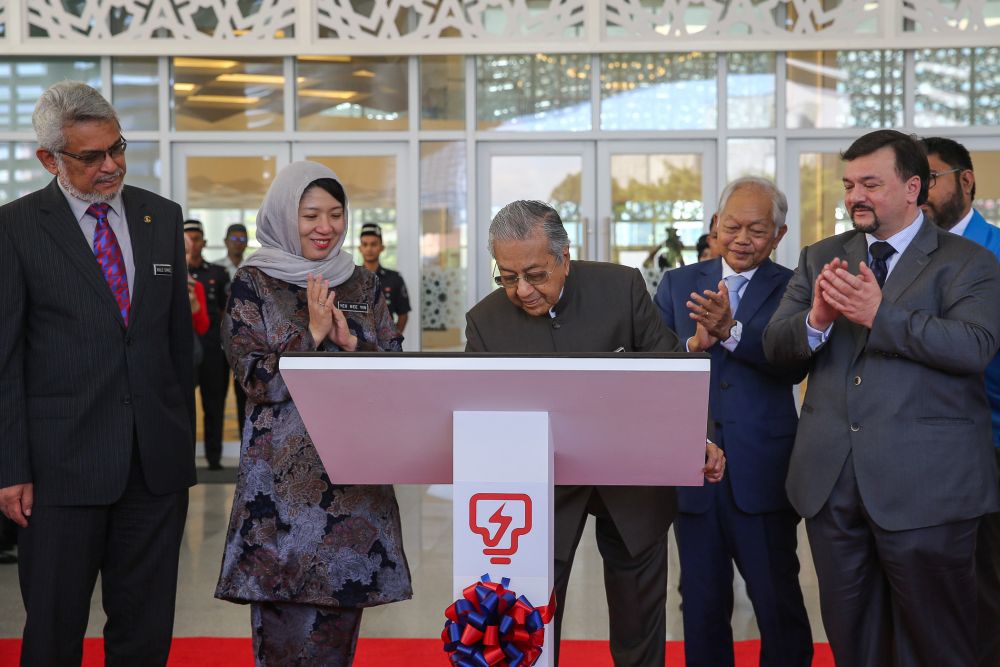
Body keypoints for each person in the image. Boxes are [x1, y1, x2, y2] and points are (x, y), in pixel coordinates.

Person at [763, 129, 1000, 666]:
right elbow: (776, 349)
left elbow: (975, 346)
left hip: (930, 490)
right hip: (833, 488)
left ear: (913, 187)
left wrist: (880, 316)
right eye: (848, 185)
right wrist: (816, 321)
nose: (854, 197)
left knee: (937, 643)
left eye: (870, 183)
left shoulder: (969, 262)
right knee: (854, 642)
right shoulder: (821, 256)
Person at [465, 199, 725, 666]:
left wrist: (697, 438)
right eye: (507, 276)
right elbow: (475, 411)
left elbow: (666, 369)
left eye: (535, 274)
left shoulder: (620, 286)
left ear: (565, 258)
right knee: (530, 624)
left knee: (638, 624)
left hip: (631, 478)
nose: (522, 289)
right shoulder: (484, 323)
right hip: (539, 494)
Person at [0, 80, 195, 665]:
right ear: (49, 159)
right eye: (90, 156)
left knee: (145, 630)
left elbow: (174, 345)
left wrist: (178, 441)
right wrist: (11, 468)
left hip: (153, 470)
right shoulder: (16, 227)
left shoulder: (161, 217)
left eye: (118, 148)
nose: (111, 166)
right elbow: (4, 358)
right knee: (54, 631)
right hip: (59, 469)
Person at [215, 161, 411, 666]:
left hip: (352, 489)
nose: (325, 227)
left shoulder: (364, 286)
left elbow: (396, 378)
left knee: (334, 643)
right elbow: (254, 378)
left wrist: (353, 343)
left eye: (335, 214)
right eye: (310, 215)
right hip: (280, 491)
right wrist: (312, 337)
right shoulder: (252, 284)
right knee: (281, 643)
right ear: (285, 215)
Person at [654, 177, 813, 666]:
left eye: (757, 230)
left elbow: (794, 363)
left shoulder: (793, 287)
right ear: (714, 225)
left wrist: (730, 332)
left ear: (780, 234)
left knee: (776, 599)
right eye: (733, 226)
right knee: (700, 603)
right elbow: (655, 363)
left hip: (763, 468)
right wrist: (690, 346)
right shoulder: (679, 283)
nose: (742, 238)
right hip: (694, 466)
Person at [919, 135, 1000, 667]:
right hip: (922, 449)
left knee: (986, 584)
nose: (918, 192)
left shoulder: (993, 251)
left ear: (965, 180)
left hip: (989, 441)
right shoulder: (904, 254)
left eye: (929, 179)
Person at [184, 218, 231, 470]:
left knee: (214, 405)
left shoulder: (217, 273)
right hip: (183, 348)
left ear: (204, 241)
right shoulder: (173, 272)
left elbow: (226, 312)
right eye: (186, 237)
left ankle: (214, 459)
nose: (191, 243)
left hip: (212, 346)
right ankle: (186, 458)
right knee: (184, 407)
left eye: (195, 238)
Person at [219, 223, 250, 438]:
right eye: (234, 239)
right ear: (225, 241)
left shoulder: (253, 271)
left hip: (247, 345)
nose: (237, 244)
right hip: (219, 344)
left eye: (242, 240)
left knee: (244, 399)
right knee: (215, 399)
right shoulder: (215, 269)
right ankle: (214, 457)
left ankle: (243, 448)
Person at [359, 222, 411, 335]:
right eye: (365, 244)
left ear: (381, 247)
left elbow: (403, 314)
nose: (369, 249)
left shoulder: (394, 278)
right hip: (357, 345)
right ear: (360, 248)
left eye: (373, 244)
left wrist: (393, 340)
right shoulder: (351, 277)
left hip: (386, 347)